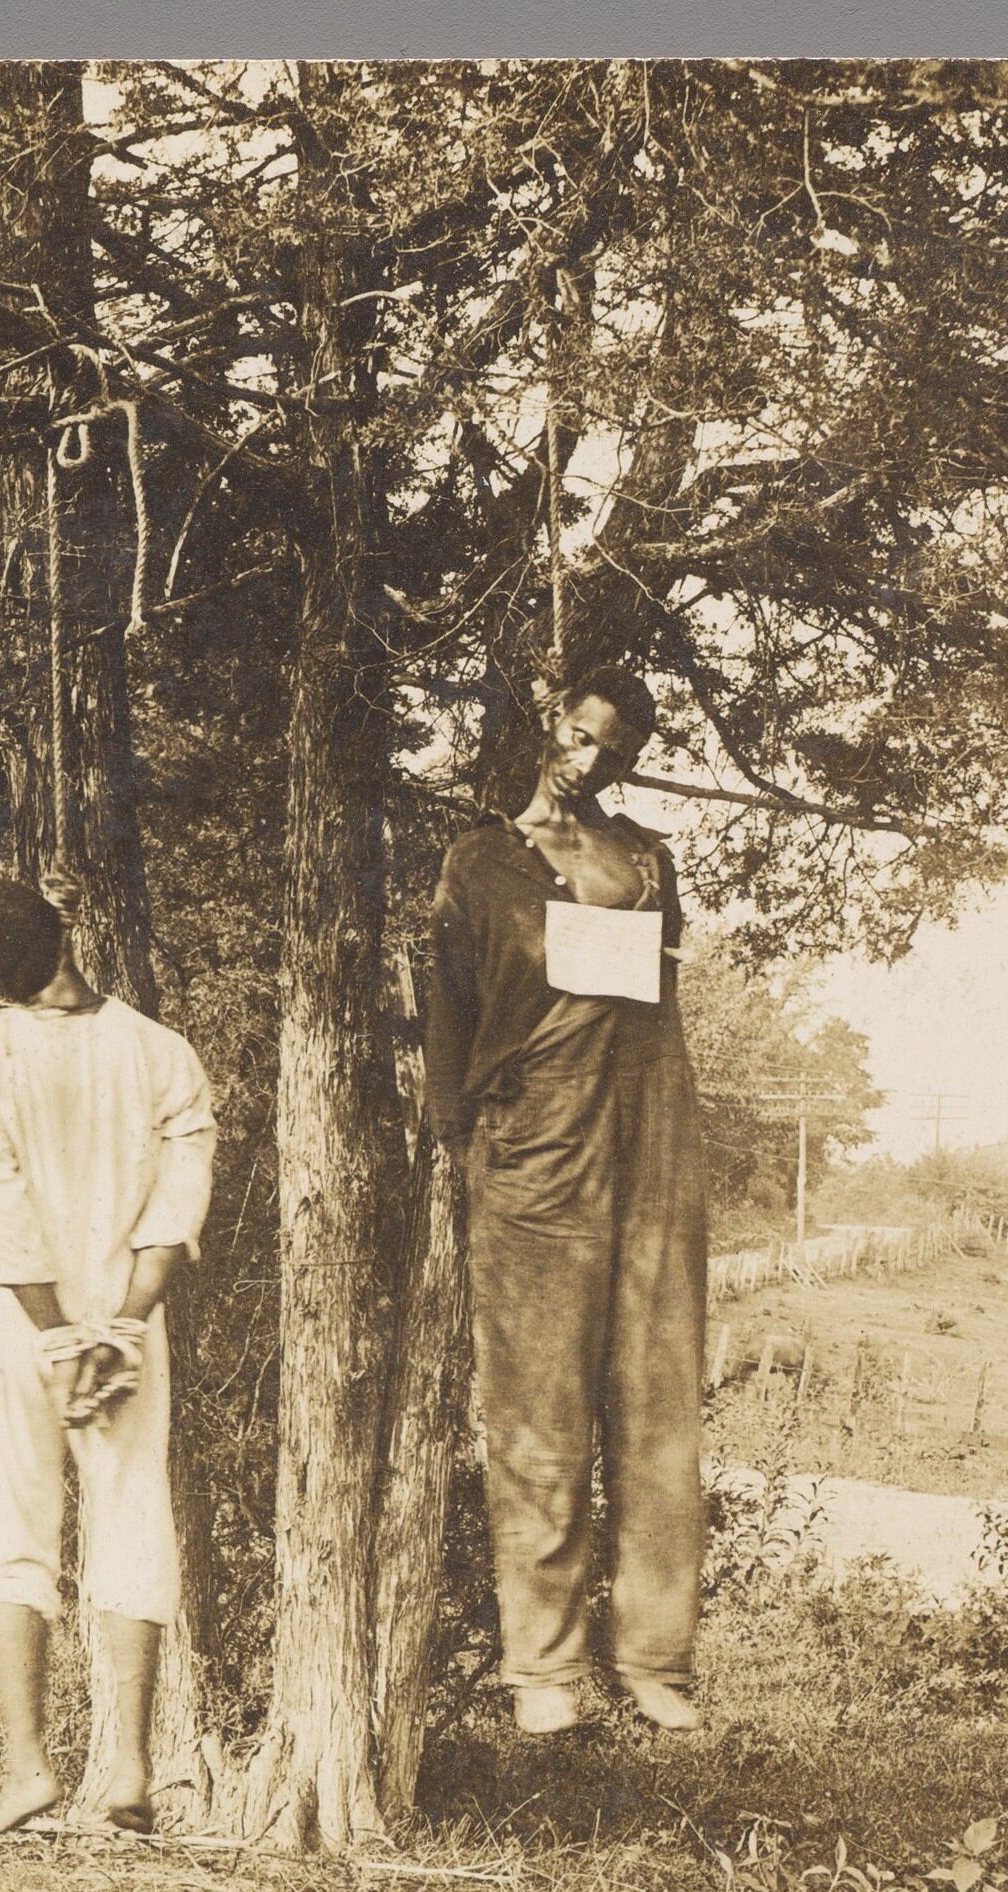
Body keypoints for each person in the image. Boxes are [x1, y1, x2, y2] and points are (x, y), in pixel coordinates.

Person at [426, 667, 708, 1735]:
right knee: (537, 1404)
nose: (589, 763)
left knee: (658, 1395)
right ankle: (543, 1667)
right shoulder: (482, 862)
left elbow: (658, 991)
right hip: (534, 1140)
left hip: (651, 1127)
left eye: (613, 752)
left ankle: (654, 1657)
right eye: (580, 736)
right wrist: (459, 1141)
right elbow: (446, 1009)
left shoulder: (644, 857)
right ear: (549, 726)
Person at [0, 869, 216, 1834]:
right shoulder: (159, 1051)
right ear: (62, 933)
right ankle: (129, 1770)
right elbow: (175, 1211)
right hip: (126, 1324)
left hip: (27, 1327)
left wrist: (59, 1336)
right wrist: (122, 1325)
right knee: (132, 1514)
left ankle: (28, 1768)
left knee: (12, 1531)